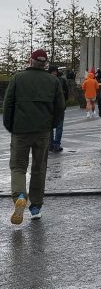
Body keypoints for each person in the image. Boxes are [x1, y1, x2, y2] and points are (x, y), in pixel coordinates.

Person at [3, 49, 65, 223]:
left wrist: (11, 126)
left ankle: (20, 196)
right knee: (39, 167)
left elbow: (8, 105)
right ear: (45, 64)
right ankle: (36, 207)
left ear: (30, 61)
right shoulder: (53, 81)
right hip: (43, 132)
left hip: (21, 131)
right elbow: (60, 107)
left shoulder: (18, 78)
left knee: (18, 166)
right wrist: (51, 126)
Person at [49, 65, 69, 151]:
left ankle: (55, 143)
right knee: (52, 127)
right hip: (52, 107)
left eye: (55, 71)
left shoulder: (61, 81)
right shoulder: (61, 80)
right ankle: (52, 144)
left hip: (57, 107)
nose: (54, 73)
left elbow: (66, 94)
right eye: (52, 71)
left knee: (58, 126)